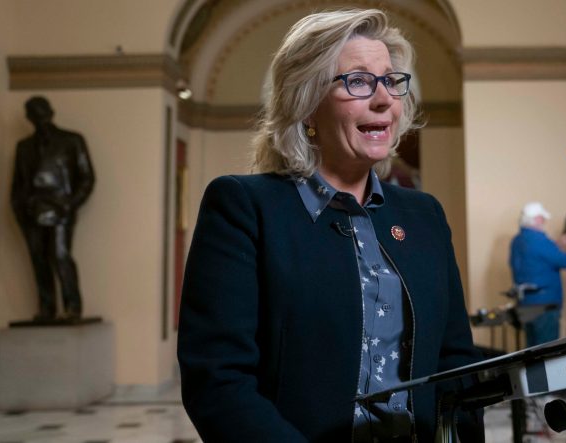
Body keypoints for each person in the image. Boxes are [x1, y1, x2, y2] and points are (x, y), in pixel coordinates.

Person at [177, 9, 483, 442]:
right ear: (306, 105)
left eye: (391, 81)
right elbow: (218, 382)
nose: (383, 99)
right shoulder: (242, 207)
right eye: (358, 81)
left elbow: (455, 365)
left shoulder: (425, 215)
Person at [10, 96, 95, 321]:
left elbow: (87, 178)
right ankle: (47, 308)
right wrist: (21, 209)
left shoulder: (71, 141)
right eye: (34, 115)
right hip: (33, 210)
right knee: (38, 259)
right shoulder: (24, 147)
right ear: (30, 118)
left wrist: (70, 203)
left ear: (50, 112)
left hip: (60, 209)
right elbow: (19, 184)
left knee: (60, 255)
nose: (40, 119)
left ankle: (72, 306)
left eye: (42, 113)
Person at [509, 202, 566, 347]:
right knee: (547, 350)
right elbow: (565, 261)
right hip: (544, 306)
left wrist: (558, 244)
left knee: (531, 349)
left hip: (525, 304)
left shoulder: (517, 240)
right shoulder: (539, 240)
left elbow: (537, 259)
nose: (544, 222)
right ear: (536, 219)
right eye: (542, 218)